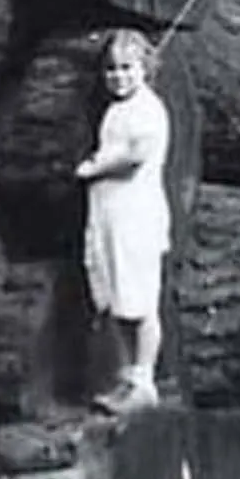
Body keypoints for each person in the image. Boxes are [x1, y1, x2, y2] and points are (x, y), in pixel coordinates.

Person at [74, 28, 171, 413]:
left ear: (144, 68)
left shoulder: (149, 108)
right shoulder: (116, 110)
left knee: (141, 300)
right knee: (115, 300)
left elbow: (135, 154)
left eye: (128, 68)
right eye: (112, 70)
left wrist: (94, 168)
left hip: (137, 215)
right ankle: (126, 377)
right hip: (109, 215)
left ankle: (145, 379)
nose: (120, 77)